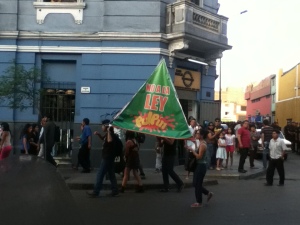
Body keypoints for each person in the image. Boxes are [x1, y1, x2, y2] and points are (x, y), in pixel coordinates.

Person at [86, 120, 119, 197]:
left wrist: (108, 130)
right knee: (111, 174)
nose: (101, 127)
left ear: (106, 126)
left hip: (107, 157)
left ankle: (96, 191)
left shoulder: (110, 134)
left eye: (102, 126)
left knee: (100, 174)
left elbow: (109, 140)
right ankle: (115, 190)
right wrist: (98, 134)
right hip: (108, 157)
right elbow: (103, 139)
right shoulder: (107, 134)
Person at [190, 129, 213, 208]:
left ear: (202, 135)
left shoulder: (203, 144)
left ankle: (198, 202)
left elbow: (199, 156)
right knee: (195, 183)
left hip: (201, 166)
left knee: (197, 184)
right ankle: (207, 193)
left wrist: (193, 151)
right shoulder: (200, 143)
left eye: (198, 133)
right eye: (196, 133)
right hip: (198, 166)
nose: (196, 134)